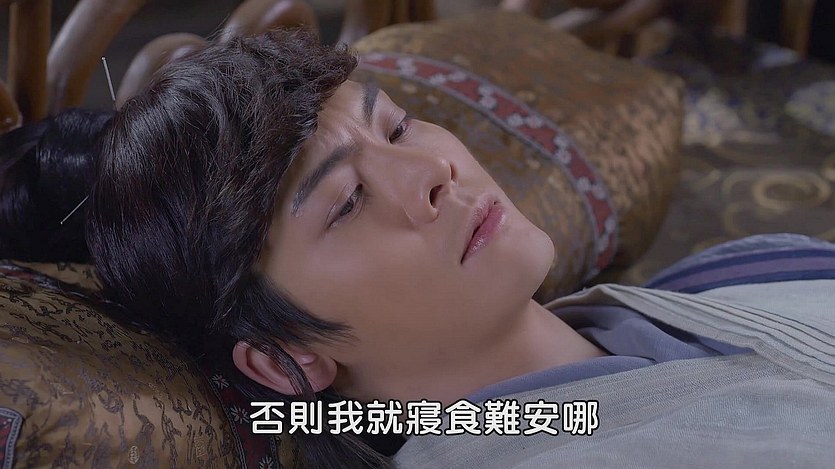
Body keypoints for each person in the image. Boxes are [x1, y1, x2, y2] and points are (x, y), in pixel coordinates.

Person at [3, 29, 835, 468]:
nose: (433, 171)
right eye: (346, 201)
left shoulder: (737, 269)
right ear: (286, 359)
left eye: (397, 126)